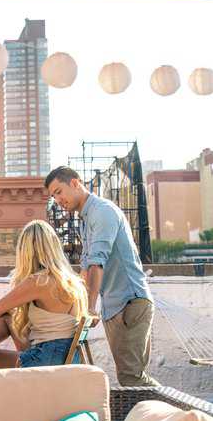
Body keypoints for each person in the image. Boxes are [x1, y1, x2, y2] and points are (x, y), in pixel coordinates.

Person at [45, 165, 159, 386]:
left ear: (75, 183)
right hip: (115, 305)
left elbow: (97, 262)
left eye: (59, 191)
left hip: (130, 302)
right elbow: (86, 268)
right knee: (129, 378)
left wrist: (89, 307)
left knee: (132, 377)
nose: (57, 199)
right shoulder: (86, 218)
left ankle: (179, 413)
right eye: (53, 196)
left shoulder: (102, 212)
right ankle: (164, 416)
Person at [0, 220, 89, 368]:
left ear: (26, 251)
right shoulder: (72, 281)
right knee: (8, 318)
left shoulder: (38, 282)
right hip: (68, 357)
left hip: (47, 358)